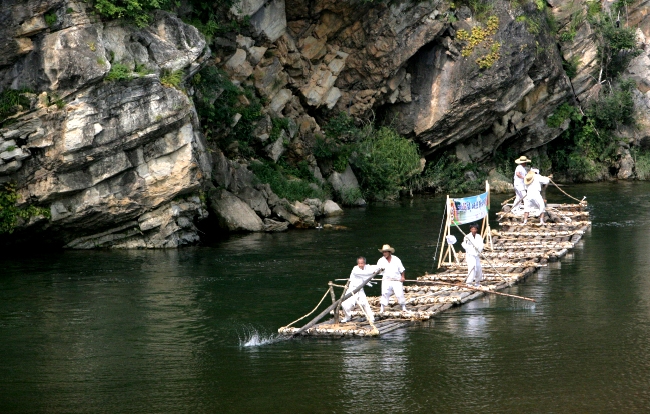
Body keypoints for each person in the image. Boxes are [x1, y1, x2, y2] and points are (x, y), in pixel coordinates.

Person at [341, 257, 382, 323]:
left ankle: (371, 318)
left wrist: (379, 269)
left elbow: (375, 267)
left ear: (364, 263)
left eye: (362, 263)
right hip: (352, 289)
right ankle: (347, 317)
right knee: (344, 304)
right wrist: (374, 273)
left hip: (360, 289)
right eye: (359, 263)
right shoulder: (355, 269)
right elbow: (364, 274)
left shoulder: (367, 267)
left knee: (365, 304)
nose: (360, 265)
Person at [377, 244, 407, 313]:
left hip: (396, 279)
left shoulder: (396, 259)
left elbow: (402, 269)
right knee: (384, 293)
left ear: (389, 252)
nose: (384, 253)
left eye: (386, 252)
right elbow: (378, 271)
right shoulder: (380, 261)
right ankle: (382, 308)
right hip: (386, 280)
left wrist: (402, 277)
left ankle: (403, 307)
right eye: (383, 252)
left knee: (399, 294)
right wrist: (377, 271)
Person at [463, 223, 484, 287]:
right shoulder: (467, 237)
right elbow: (465, 245)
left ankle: (477, 282)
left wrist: (478, 248)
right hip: (470, 255)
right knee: (472, 267)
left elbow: (481, 245)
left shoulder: (479, 236)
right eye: (472, 229)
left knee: (478, 267)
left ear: (477, 230)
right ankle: (469, 282)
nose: (473, 230)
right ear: (470, 230)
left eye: (475, 229)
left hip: (476, 254)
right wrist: (471, 248)